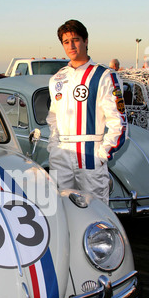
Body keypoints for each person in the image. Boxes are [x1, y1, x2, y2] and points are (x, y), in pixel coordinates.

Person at [46, 19, 127, 204]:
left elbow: (118, 122)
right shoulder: (57, 77)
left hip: (90, 155)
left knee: (95, 210)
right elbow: (53, 117)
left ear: (86, 41)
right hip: (61, 154)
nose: (71, 45)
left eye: (75, 40)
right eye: (66, 42)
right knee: (62, 208)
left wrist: (103, 153)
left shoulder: (104, 75)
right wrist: (53, 146)